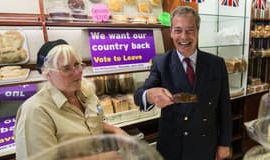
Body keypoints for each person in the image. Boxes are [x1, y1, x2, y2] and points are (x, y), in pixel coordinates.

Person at [133, 6, 232, 160]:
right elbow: (138, 95)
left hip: (205, 143)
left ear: (198, 32)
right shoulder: (161, 63)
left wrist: (225, 144)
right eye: (178, 30)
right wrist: (150, 95)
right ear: (171, 32)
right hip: (173, 146)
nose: (184, 37)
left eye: (190, 30)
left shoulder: (216, 64)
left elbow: (225, 107)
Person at [14, 39, 128, 160]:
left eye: (77, 64)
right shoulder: (35, 111)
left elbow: (90, 124)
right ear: (48, 74)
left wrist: (114, 130)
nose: (78, 72)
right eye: (67, 68)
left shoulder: (86, 94)